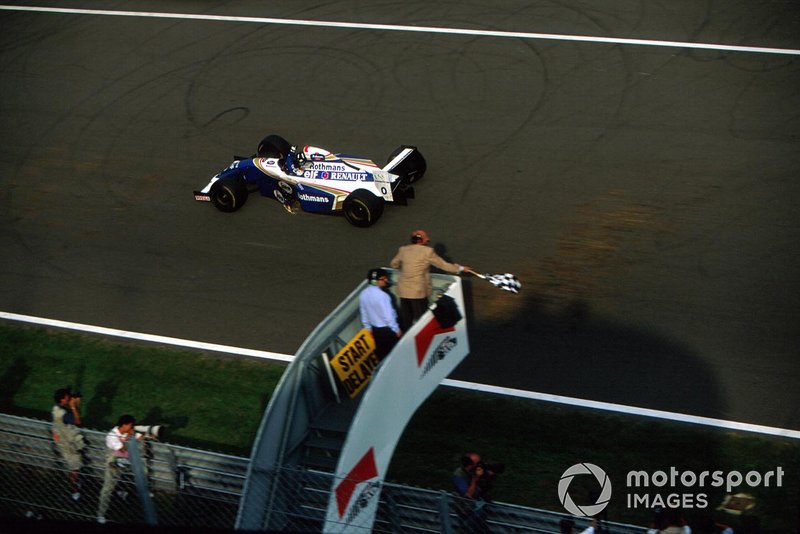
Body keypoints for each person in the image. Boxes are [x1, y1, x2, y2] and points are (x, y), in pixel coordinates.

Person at [389, 229, 470, 330]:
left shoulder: (403, 250)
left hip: (403, 290)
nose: (428, 239)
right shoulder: (428, 252)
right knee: (421, 320)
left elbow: (394, 264)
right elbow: (443, 265)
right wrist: (461, 268)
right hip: (417, 292)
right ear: (421, 240)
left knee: (407, 319)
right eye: (426, 237)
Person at [97, 414, 144, 524]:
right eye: (131, 426)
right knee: (107, 489)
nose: (132, 428)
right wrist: (132, 438)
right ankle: (101, 514)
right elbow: (122, 449)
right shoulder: (111, 436)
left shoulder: (127, 432)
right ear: (124, 425)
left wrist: (145, 435)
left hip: (124, 461)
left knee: (125, 477)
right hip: (113, 463)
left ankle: (120, 491)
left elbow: (140, 437)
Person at [359, 268, 402, 359]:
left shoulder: (363, 294)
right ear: (377, 281)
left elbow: (364, 313)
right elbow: (388, 316)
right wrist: (396, 329)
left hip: (376, 331)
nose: (386, 280)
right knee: (394, 355)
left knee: (382, 355)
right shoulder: (383, 296)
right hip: (388, 331)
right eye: (384, 278)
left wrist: (368, 327)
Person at [51, 388, 86, 501]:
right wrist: (73, 406)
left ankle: (75, 485)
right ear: (62, 399)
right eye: (67, 397)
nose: (70, 398)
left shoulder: (56, 409)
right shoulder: (65, 413)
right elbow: (77, 421)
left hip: (63, 441)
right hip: (68, 444)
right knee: (75, 468)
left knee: (74, 467)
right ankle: (74, 490)